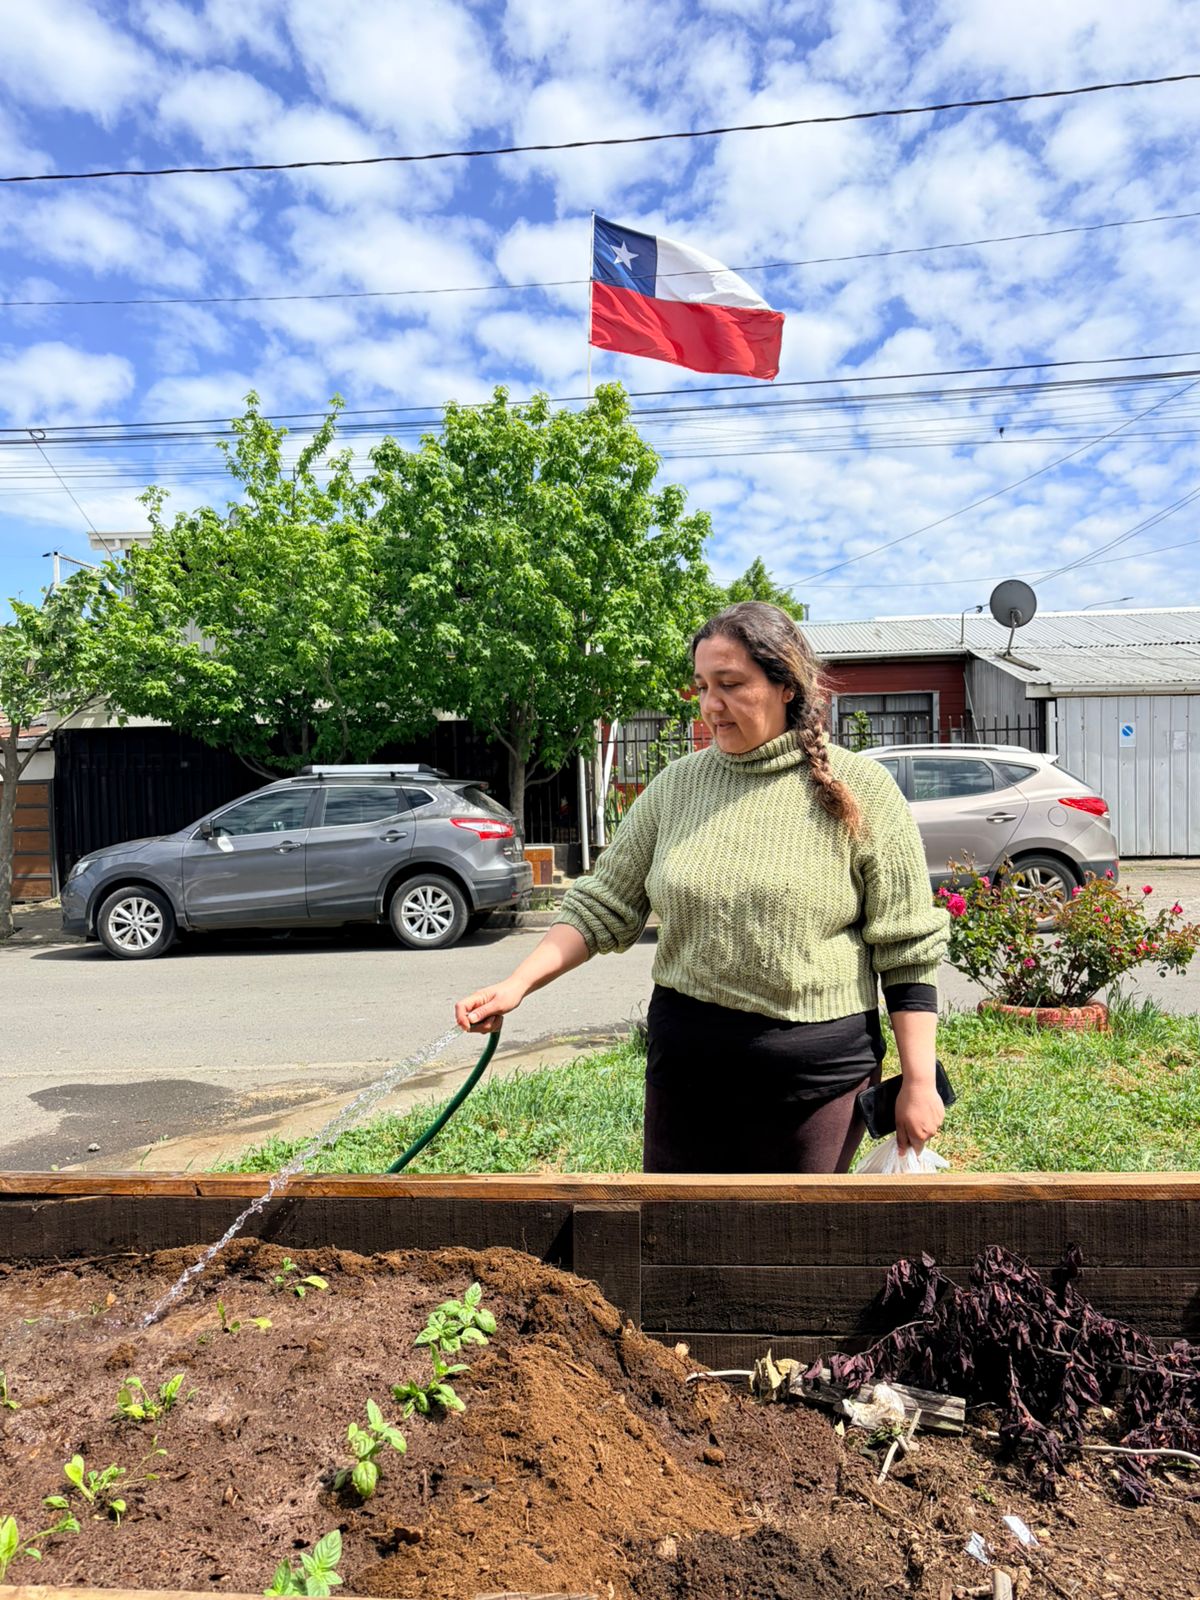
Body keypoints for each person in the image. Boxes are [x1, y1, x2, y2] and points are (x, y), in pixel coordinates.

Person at [454, 601, 949, 1174]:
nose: (711, 705)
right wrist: (517, 984)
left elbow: (906, 948)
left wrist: (919, 1081)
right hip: (686, 1072)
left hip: (816, 1082)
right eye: (703, 686)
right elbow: (602, 904)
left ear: (786, 685)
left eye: (731, 684)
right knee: (677, 1244)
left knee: (793, 1251)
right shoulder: (677, 787)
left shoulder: (861, 788)